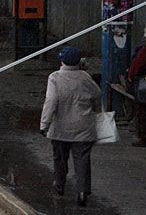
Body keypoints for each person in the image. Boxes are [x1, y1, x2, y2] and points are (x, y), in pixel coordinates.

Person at [40, 46, 100, 207]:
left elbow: (50, 102)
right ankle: (82, 191)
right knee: (82, 159)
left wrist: (44, 124)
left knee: (60, 157)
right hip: (83, 125)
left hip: (61, 127)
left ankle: (59, 184)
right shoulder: (85, 77)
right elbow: (97, 93)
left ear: (62, 60)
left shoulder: (55, 78)